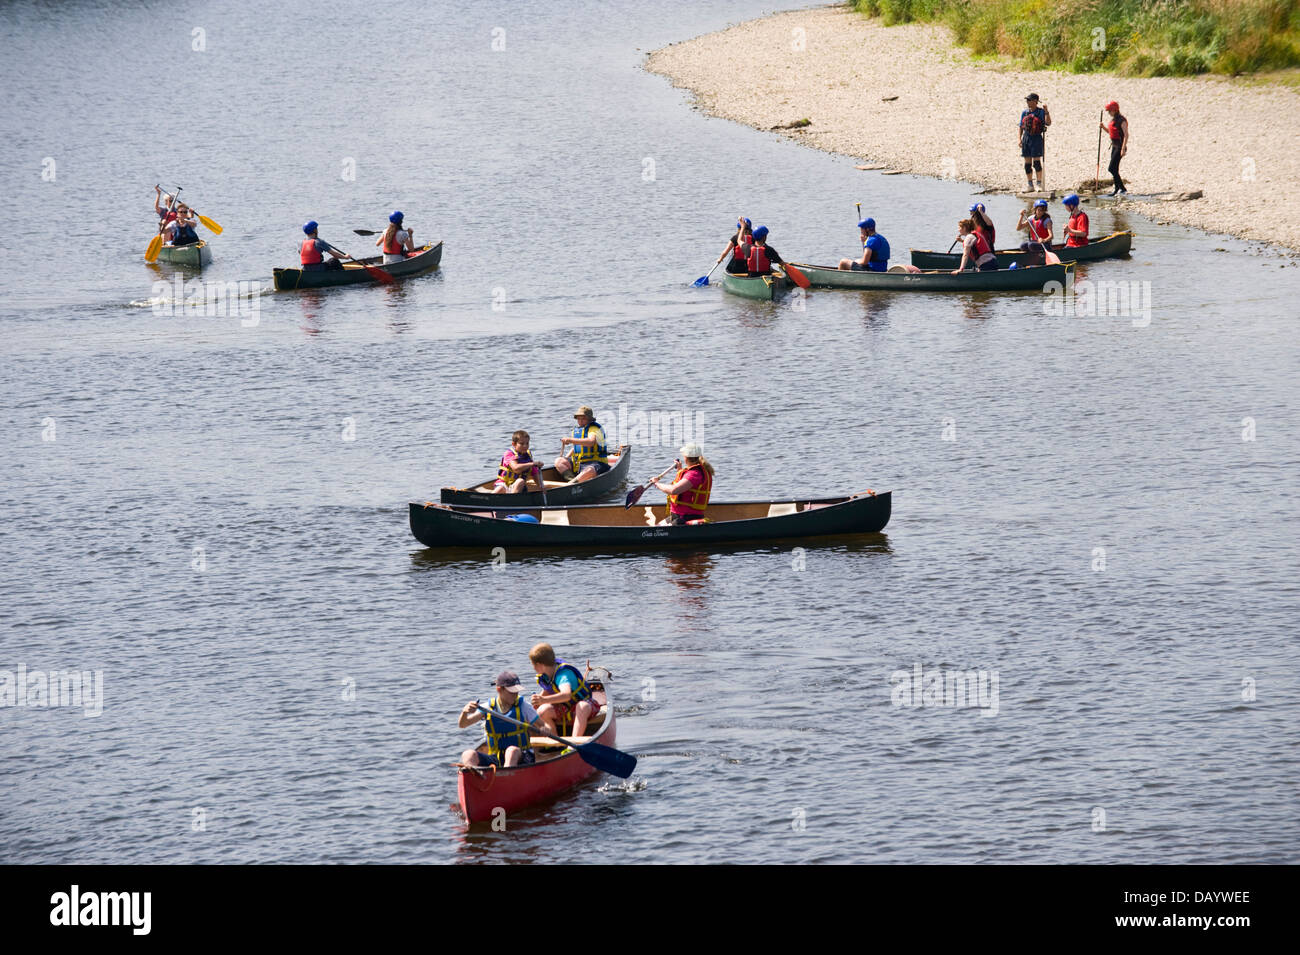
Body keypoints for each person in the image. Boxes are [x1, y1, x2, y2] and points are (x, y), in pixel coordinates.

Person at [458, 671, 544, 768]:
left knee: (511, 751)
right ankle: (473, 776)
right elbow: (463, 725)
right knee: (468, 754)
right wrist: (465, 712)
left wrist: (545, 729)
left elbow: (543, 726)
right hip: (496, 757)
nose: (515, 694)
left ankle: (506, 777)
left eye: (517, 691)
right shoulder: (488, 708)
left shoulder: (524, 706)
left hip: (522, 756)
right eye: (511, 692)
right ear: (499, 689)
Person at [529, 643, 600, 738]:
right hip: (567, 709)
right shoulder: (548, 674)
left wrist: (543, 700)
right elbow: (548, 691)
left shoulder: (563, 675)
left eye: (533, 665)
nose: (533, 668)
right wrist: (537, 703)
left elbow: (566, 695)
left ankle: (574, 744)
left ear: (539, 665)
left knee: (581, 706)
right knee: (542, 711)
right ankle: (555, 743)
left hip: (585, 706)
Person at [654, 442, 714, 525]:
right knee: (655, 529)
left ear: (686, 457)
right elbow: (686, 484)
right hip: (678, 516)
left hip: (686, 518)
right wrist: (679, 470)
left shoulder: (694, 474)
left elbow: (674, 490)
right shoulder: (695, 472)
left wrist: (657, 484)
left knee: (656, 533)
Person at [554, 405, 609, 482]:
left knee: (590, 470)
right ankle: (572, 481)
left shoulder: (594, 429)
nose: (580, 421)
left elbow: (591, 442)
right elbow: (576, 448)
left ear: (589, 419)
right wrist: (565, 458)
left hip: (597, 463)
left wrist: (570, 440)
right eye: (578, 418)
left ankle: (573, 484)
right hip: (579, 464)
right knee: (558, 461)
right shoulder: (578, 430)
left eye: (583, 418)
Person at [1018, 93, 1051, 193]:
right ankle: (1030, 185)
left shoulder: (1041, 112)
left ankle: (1039, 184)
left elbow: (1048, 123)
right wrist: (1019, 139)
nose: (1028, 102)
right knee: (1027, 164)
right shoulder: (1025, 112)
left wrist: (1046, 112)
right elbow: (1021, 127)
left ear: (1035, 101)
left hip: (1036, 138)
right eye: (1027, 100)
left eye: (1029, 100)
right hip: (1026, 138)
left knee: (1036, 162)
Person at [494, 430, 544, 494]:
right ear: (514, 444)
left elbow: (534, 472)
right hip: (504, 484)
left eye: (527, 443)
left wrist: (540, 486)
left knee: (520, 481)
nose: (525, 446)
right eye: (522, 444)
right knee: (499, 489)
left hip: (518, 486)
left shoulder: (528, 454)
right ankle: (488, 501)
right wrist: (532, 464)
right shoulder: (509, 454)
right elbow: (516, 468)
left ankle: (512, 500)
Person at [1101, 101, 1129, 196]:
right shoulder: (1113, 120)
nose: (1109, 113)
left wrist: (1123, 149)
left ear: (1115, 110)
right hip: (1114, 146)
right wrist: (1103, 127)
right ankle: (1118, 189)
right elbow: (1111, 132)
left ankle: (1122, 188)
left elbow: (1126, 135)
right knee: (1114, 169)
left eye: (1110, 111)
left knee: (1111, 168)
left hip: (1120, 146)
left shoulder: (1122, 120)